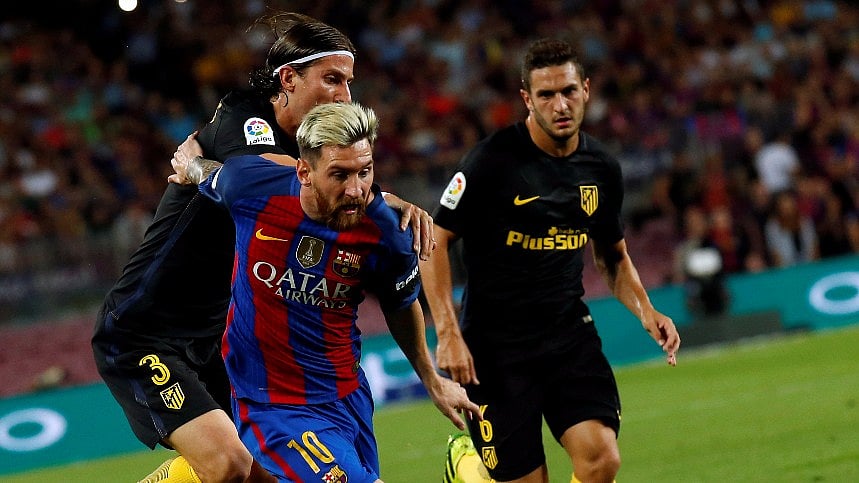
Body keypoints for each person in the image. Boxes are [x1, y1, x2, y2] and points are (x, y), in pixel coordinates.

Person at [92, 13, 433, 483]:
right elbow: (275, 178)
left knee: (264, 474)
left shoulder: (308, 148)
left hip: (217, 340)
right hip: (144, 332)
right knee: (230, 465)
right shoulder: (244, 117)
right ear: (288, 79)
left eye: (349, 83)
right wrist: (383, 201)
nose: (344, 96)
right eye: (332, 79)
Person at [170, 101, 479, 482]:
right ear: (304, 171)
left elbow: (400, 304)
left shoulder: (387, 231)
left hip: (347, 397)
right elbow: (211, 175)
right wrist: (190, 166)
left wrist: (431, 379)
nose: (355, 190)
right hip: (270, 402)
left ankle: (187, 475)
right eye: (340, 175)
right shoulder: (252, 187)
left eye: (365, 172)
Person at [420, 38, 681, 483]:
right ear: (527, 99)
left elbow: (612, 255)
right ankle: (465, 465)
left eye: (569, 91)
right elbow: (433, 242)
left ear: (587, 90)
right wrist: (446, 332)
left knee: (602, 459)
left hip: (566, 335)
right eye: (546, 94)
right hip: (494, 347)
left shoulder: (600, 168)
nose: (560, 104)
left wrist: (646, 309)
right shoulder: (492, 162)